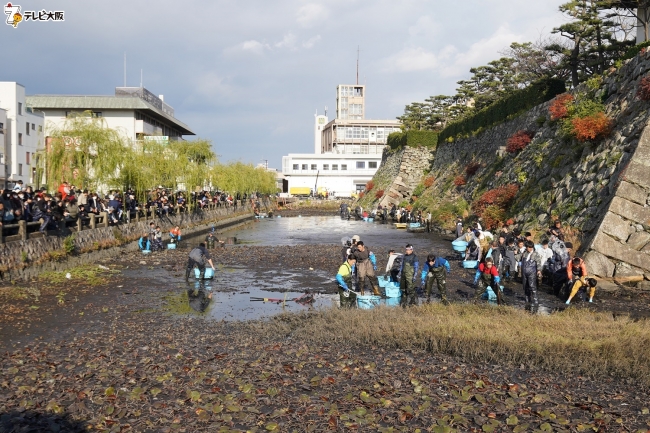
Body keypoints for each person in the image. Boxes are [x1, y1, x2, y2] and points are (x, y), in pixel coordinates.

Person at [521, 241, 544, 313]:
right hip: (524, 272)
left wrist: (539, 270)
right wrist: (516, 253)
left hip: (532, 272)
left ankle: (536, 301)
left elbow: (539, 263)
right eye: (528, 247)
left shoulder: (536, 254)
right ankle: (527, 300)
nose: (529, 249)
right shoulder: (524, 253)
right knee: (525, 286)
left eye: (530, 247)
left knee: (532, 286)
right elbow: (518, 258)